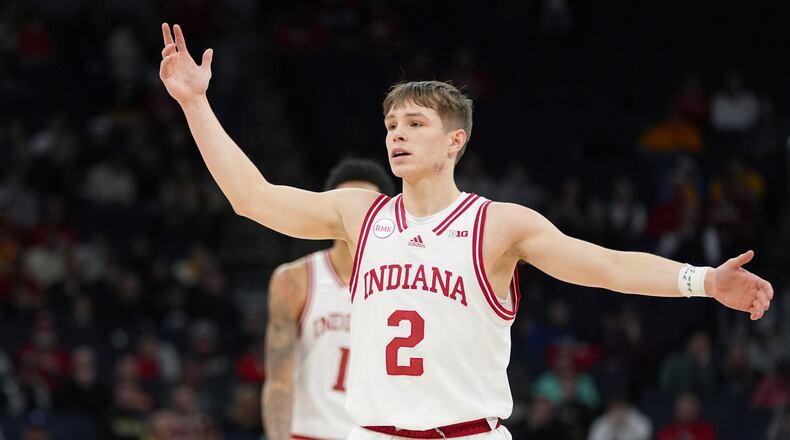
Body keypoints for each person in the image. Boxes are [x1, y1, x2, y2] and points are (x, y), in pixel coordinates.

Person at [158, 23, 774, 439]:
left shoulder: (497, 224)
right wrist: (194, 104)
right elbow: (252, 199)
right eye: (391, 123)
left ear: (455, 140)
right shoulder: (359, 216)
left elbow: (607, 266)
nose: (396, 133)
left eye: (415, 123)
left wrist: (700, 281)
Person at [262, 159, 394, 440]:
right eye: (343, 206)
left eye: (364, 207)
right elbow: (279, 382)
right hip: (307, 433)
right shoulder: (295, 280)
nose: (352, 215)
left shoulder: (403, 283)